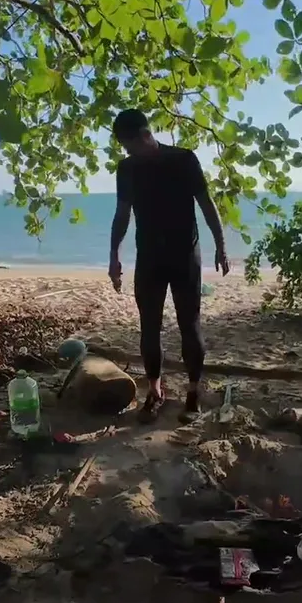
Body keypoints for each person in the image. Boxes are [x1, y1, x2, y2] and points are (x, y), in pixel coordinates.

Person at [108, 109, 229, 423]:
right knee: (149, 326)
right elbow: (122, 214)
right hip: (149, 257)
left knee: (190, 324)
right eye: (124, 147)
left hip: (185, 254)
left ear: (146, 135)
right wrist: (114, 255)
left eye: (130, 145)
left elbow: (206, 204)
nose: (128, 152)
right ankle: (155, 390)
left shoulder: (183, 160)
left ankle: (193, 391)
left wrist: (220, 244)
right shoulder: (127, 168)